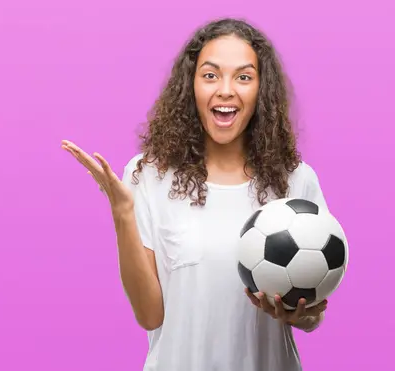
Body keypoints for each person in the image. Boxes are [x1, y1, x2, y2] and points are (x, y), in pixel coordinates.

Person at [61, 17, 329, 371]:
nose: (226, 90)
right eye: (210, 75)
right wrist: (122, 214)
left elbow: (312, 316)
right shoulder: (149, 176)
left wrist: (300, 316)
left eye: (244, 77)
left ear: (261, 91)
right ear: (191, 86)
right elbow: (149, 315)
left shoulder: (295, 180)